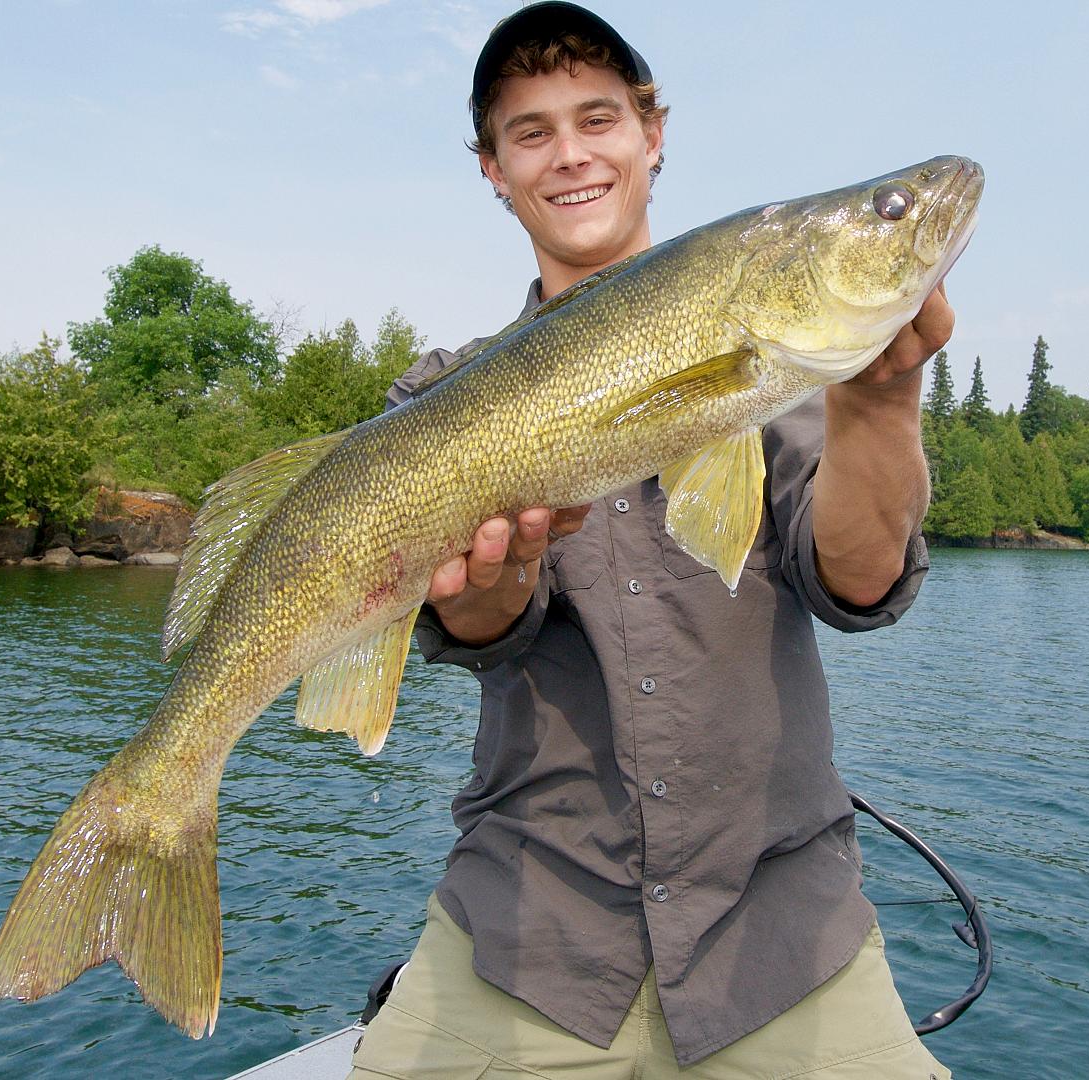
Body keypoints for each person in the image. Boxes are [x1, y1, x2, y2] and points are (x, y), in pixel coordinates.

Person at [351, 4, 955, 1076]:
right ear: (492, 168)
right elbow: (483, 626)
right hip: (532, 924)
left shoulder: (783, 366)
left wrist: (884, 397)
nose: (570, 152)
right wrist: (490, 580)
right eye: (530, 132)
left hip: (779, 928)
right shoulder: (436, 399)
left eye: (598, 118)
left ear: (652, 134)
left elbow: (859, 585)